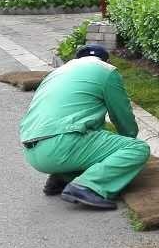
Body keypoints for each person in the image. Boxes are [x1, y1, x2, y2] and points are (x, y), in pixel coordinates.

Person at [19, 44, 150, 209]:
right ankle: (87, 186)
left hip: (31, 150)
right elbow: (122, 115)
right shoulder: (106, 71)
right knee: (138, 148)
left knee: (92, 137)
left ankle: (64, 176)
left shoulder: (56, 73)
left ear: (77, 58)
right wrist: (127, 142)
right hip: (62, 145)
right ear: (104, 60)